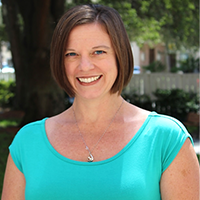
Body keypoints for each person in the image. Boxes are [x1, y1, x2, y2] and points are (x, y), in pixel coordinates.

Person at [1, 4, 199, 200]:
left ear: (120, 56)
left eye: (98, 52)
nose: (84, 66)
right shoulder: (27, 142)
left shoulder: (166, 138)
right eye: (71, 54)